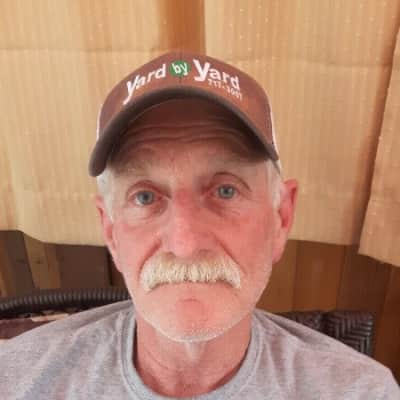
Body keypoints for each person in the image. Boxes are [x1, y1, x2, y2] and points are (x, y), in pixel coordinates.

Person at [0, 51, 399, 399]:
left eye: (225, 191)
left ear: (281, 219)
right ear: (110, 232)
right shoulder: (14, 379)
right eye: (145, 197)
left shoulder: (361, 392)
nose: (185, 243)